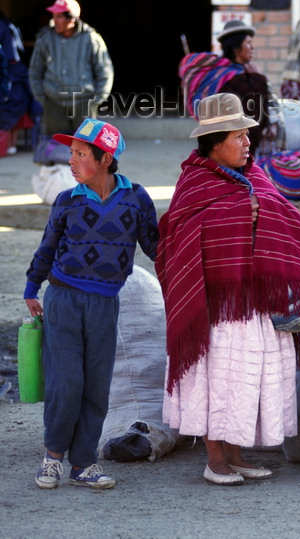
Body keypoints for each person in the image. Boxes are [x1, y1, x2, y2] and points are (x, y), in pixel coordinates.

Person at [156, 93, 300, 486]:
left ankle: (237, 454)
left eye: (247, 136)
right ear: (213, 143)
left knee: (246, 379)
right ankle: (215, 459)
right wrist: (239, 215)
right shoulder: (194, 182)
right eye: (238, 137)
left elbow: (285, 217)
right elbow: (177, 238)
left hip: (256, 303)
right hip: (217, 307)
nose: (247, 144)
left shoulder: (255, 175)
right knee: (216, 377)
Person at [25, 119, 159, 489]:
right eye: (71, 153)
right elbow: (47, 247)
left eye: (81, 154)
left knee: (96, 387)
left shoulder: (136, 198)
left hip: (104, 303)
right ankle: (52, 457)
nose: (71, 160)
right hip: (63, 299)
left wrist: (181, 275)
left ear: (105, 159)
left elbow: (155, 246)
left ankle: (83, 464)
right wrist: (31, 287)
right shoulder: (67, 200)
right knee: (65, 384)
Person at [179, 19, 277, 156]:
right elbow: (256, 118)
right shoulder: (237, 80)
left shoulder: (224, 73)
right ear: (237, 47)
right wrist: (258, 78)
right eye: (248, 43)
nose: (253, 47)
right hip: (239, 151)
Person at [29, 0, 113, 136]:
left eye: (59, 17)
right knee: (58, 146)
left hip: (84, 102)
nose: (54, 20)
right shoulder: (45, 39)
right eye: (53, 16)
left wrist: (98, 98)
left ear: (72, 19)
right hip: (54, 103)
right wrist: (42, 97)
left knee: (86, 145)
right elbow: (35, 70)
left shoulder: (91, 39)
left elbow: (105, 70)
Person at [0, 11, 39, 154]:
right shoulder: (7, 24)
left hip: (12, 71)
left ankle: (9, 145)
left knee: (11, 105)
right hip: (13, 70)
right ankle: (10, 145)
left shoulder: (3, 26)